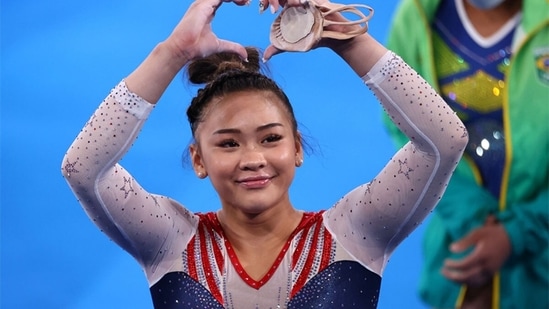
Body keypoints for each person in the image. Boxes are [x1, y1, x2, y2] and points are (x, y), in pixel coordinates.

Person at [61, 0, 468, 307]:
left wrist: (347, 39)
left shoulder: (355, 233)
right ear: (198, 159)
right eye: (228, 143)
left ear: (297, 149)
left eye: (271, 138)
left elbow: (443, 141)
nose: (252, 157)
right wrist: (173, 52)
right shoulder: (170, 240)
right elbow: (84, 169)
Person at [383, 0, 549, 308]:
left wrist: (516, 234)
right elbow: (407, 132)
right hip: (457, 247)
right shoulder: (417, 15)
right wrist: (473, 222)